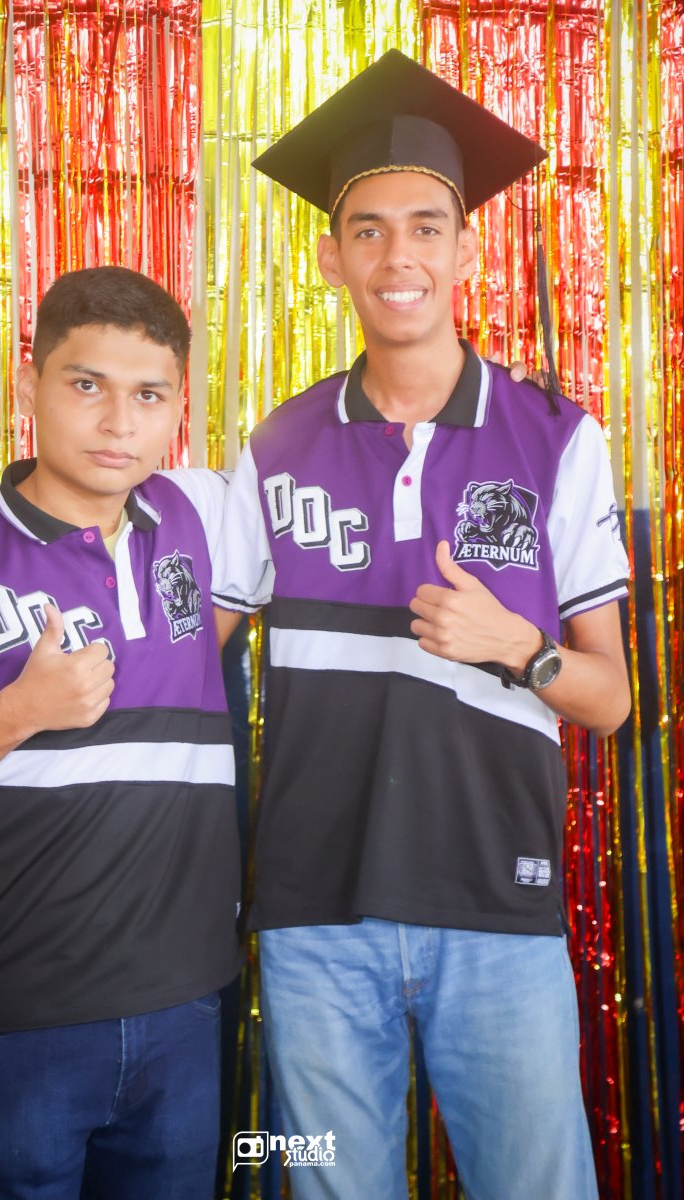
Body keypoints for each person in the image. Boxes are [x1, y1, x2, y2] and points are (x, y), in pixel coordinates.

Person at [211, 51, 631, 1200]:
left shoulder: (558, 439)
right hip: (313, 920)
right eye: (368, 230)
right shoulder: (274, 445)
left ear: (464, 247)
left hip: (496, 910)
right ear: (332, 255)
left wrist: (517, 647)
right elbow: (191, 658)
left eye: (425, 228)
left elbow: (609, 699)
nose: (397, 257)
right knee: (315, 1177)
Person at [0, 266, 241, 1199]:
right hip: (16, 1027)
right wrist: (16, 713)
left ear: (179, 408)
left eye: (149, 395)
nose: (119, 422)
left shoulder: (203, 517)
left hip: (183, 1010)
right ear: (28, 386)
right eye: (87, 385)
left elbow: (360, 446)